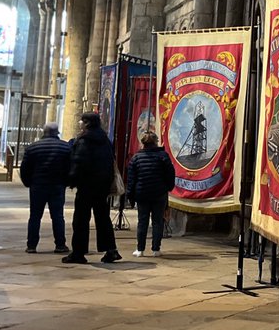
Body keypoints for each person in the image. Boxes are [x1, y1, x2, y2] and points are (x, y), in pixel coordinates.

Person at [64, 112, 121, 264]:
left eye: (81, 121)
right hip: (102, 186)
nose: (79, 123)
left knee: (81, 219)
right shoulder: (105, 140)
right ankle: (111, 250)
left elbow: (79, 161)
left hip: (86, 185)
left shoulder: (84, 140)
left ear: (87, 123)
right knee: (103, 218)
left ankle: (78, 252)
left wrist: (72, 180)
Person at [20, 123, 71, 254]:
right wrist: (66, 182)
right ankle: (60, 245)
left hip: (38, 186)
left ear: (44, 132)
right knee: (58, 216)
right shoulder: (65, 147)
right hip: (57, 186)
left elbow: (25, 168)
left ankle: (31, 245)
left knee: (35, 216)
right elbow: (70, 167)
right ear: (57, 133)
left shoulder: (33, 147)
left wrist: (28, 182)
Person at [126, 130, 175, 257]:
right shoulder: (163, 156)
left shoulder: (136, 158)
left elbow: (131, 179)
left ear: (142, 143)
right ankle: (156, 249)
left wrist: (130, 196)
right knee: (158, 221)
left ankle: (140, 249)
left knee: (142, 221)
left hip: (142, 194)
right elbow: (170, 173)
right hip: (159, 194)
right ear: (156, 142)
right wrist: (168, 187)